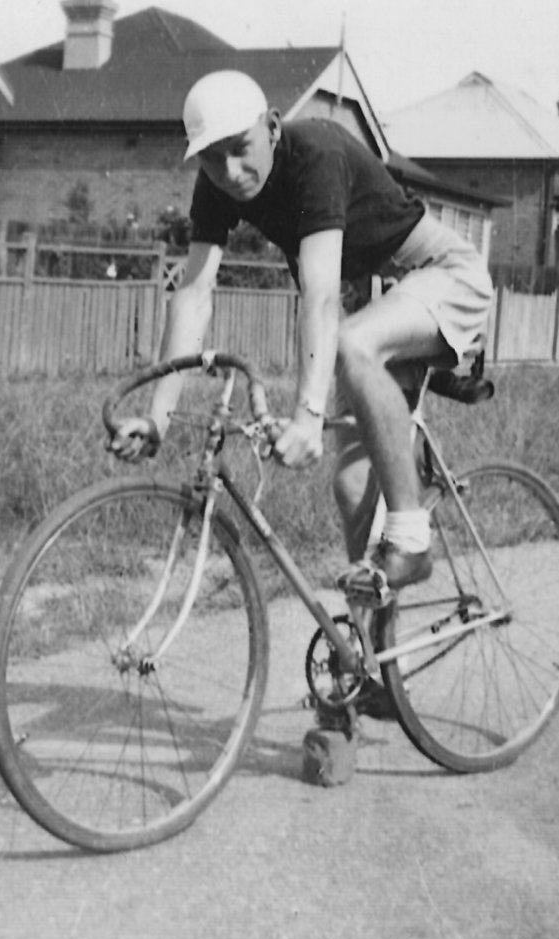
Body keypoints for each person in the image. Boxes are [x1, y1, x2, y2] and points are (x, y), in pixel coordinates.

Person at [110, 69, 493, 597]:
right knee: (353, 489)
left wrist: (308, 415)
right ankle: (374, 643)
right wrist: (158, 417)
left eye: (240, 149)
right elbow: (193, 295)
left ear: (271, 127)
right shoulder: (218, 183)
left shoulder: (316, 154)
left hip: (444, 275)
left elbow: (320, 295)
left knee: (353, 342)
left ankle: (412, 540)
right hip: (375, 305)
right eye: (213, 159)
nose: (230, 171)